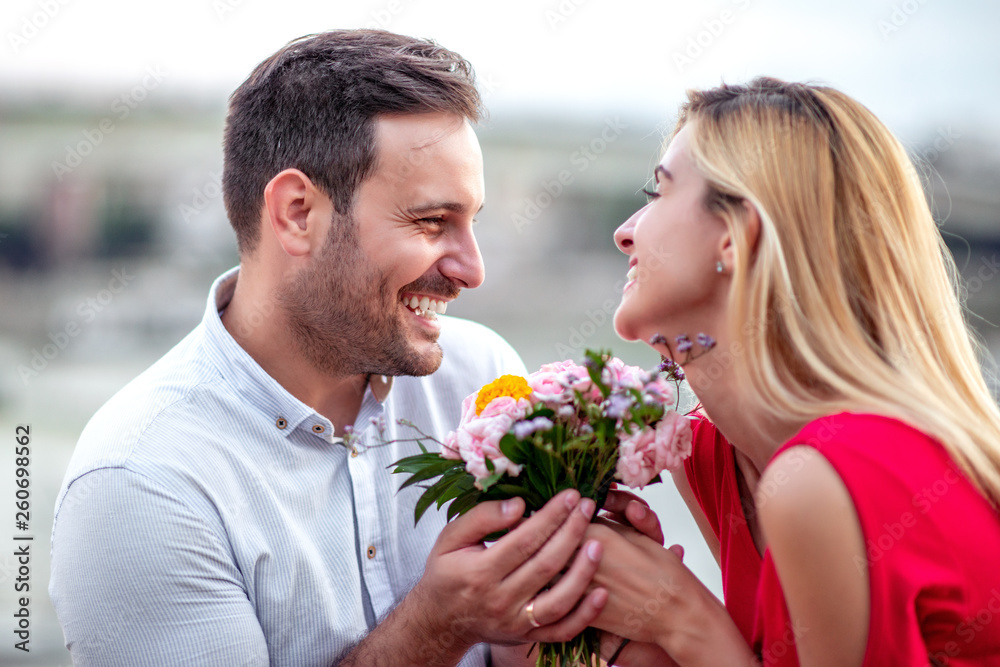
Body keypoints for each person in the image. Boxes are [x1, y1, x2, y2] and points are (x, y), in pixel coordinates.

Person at [49, 30, 608, 667]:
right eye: (431, 222)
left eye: (471, 221)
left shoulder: (485, 380)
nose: (472, 270)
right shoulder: (140, 481)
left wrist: (563, 622)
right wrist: (437, 626)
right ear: (296, 214)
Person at [587, 77, 1000, 665]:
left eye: (658, 194)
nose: (625, 231)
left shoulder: (829, 474)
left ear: (735, 236)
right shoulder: (710, 457)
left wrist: (680, 617)